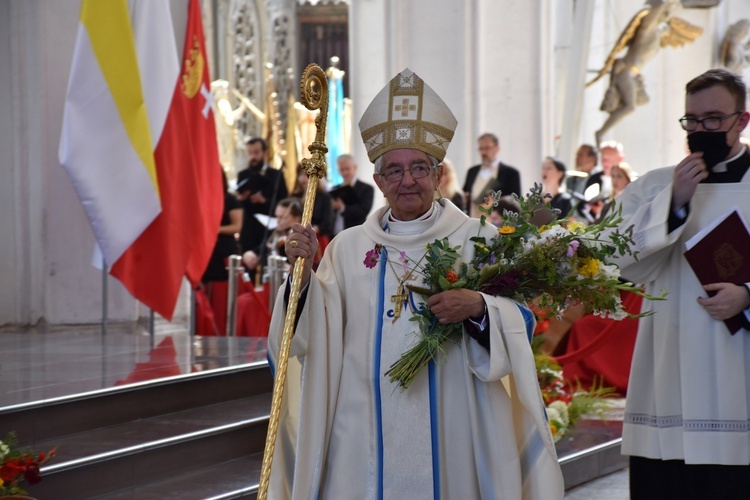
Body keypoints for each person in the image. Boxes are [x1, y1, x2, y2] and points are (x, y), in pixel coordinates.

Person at [267, 68, 563, 498]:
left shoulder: (477, 240)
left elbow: (520, 323)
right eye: (395, 170)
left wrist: (479, 308)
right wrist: (303, 277)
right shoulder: (348, 249)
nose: (408, 180)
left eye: (419, 167)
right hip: (361, 425)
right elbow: (315, 331)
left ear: (439, 174)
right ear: (378, 182)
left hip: (453, 425)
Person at [609, 68, 750, 498]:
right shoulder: (654, 185)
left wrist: (747, 298)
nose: (700, 130)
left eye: (712, 119)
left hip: (737, 373)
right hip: (664, 379)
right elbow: (611, 256)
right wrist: (673, 204)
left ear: (741, 121)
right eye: (691, 120)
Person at [237, 137, 288, 255]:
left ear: (264, 152)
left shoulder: (276, 175)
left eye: (256, 152)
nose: (253, 156)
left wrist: (264, 200)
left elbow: (284, 202)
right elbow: (239, 205)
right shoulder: (242, 175)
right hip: (248, 228)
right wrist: (241, 199)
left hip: (269, 227)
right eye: (250, 153)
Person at [463, 133, 522, 217]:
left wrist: (494, 204)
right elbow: (466, 194)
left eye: (487, 148)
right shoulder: (472, 171)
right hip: (473, 222)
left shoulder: (511, 173)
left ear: (497, 148)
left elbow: (515, 203)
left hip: (498, 224)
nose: (483, 152)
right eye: (481, 149)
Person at [330, 154, 375, 235]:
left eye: (347, 169)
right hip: (334, 235)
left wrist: (342, 207)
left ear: (355, 167)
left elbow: (363, 210)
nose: (344, 173)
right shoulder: (335, 188)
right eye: (341, 169)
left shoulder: (366, 189)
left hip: (355, 233)